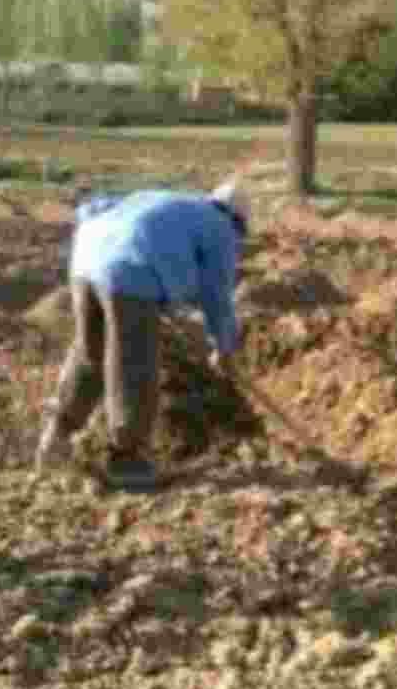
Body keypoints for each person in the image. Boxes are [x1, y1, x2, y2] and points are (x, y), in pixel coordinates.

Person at [36, 178, 250, 490]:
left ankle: (55, 436)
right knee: (133, 362)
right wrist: (225, 347)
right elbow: (217, 295)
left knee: (90, 351)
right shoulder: (222, 228)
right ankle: (127, 460)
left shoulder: (171, 202)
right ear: (238, 220)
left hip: (86, 257)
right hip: (130, 269)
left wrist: (160, 296)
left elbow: (97, 210)